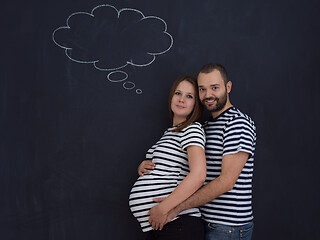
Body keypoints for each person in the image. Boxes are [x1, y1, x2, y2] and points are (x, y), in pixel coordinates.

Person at [148, 63, 256, 240]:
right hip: (205, 221)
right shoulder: (207, 126)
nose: (208, 95)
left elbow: (226, 182)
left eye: (214, 88)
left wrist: (175, 207)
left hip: (228, 226)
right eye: (202, 89)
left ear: (228, 87)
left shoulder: (238, 123)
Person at [129, 75, 207, 240]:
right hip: (165, 226)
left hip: (178, 224)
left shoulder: (192, 129)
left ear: (196, 104)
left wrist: (163, 208)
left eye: (189, 96)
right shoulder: (171, 133)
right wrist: (143, 166)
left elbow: (199, 175)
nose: (181, 99)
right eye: (178, 93)